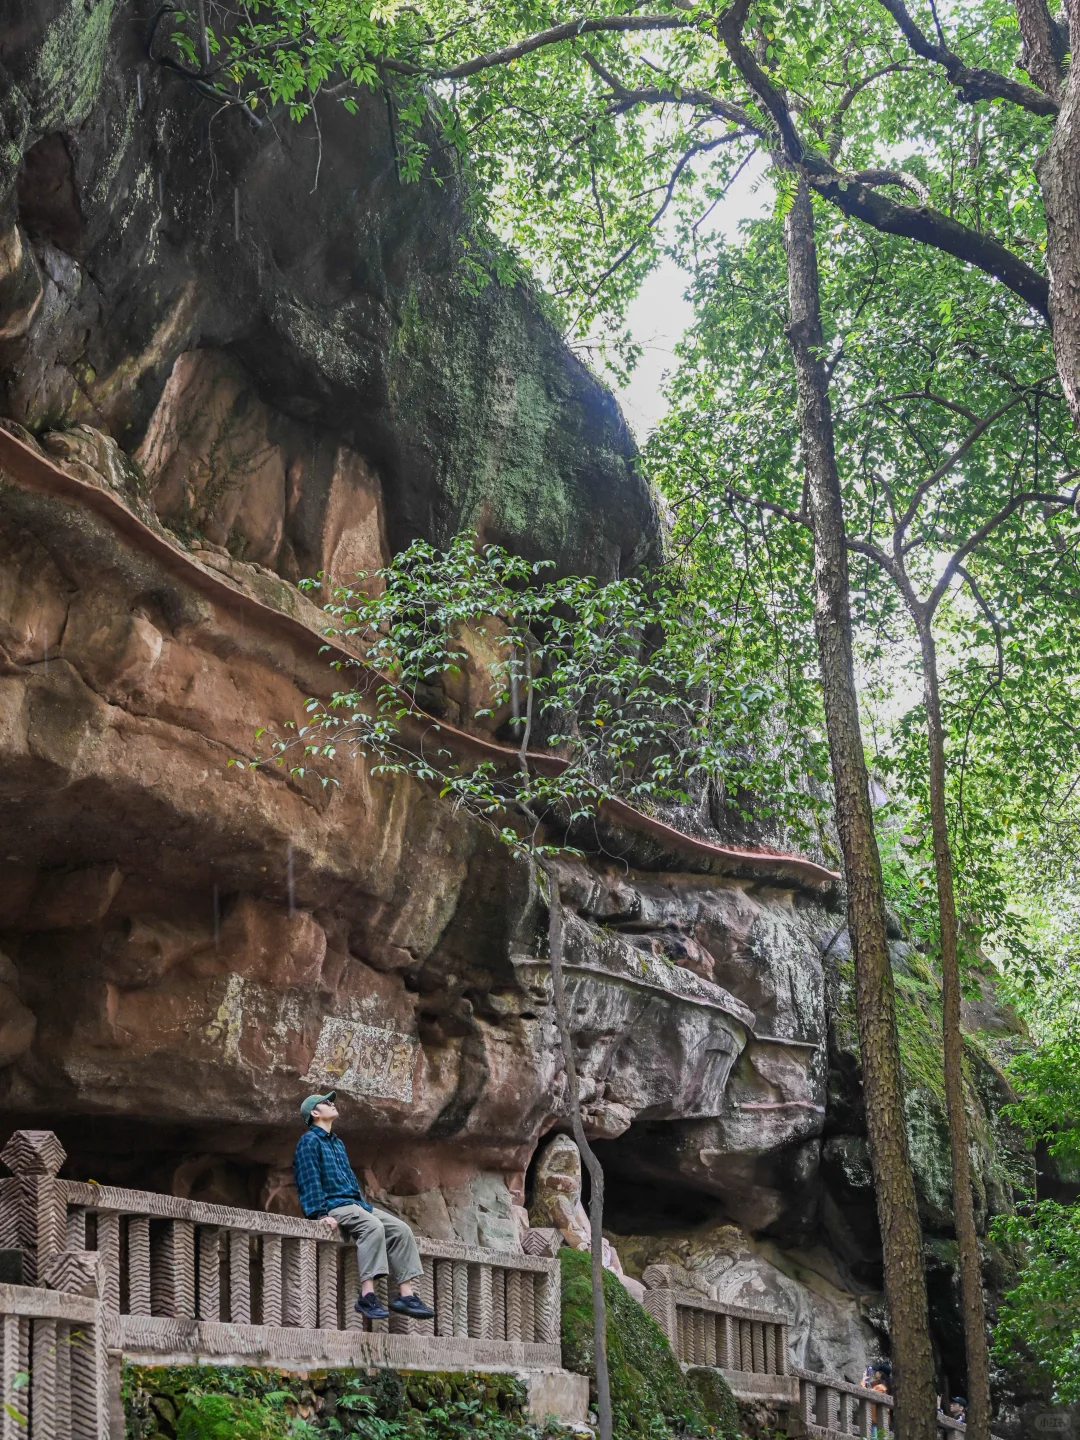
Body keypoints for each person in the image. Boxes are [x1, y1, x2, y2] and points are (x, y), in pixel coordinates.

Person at [293, 1090, 434, 1321]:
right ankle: (367, 1296)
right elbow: (308, 1179)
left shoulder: (337, 1143)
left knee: (401, 1230)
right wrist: (319, 1214)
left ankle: (406, 1295)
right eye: (326, 1103)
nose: (332, 1104)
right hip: (334, 1205)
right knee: (373, 1227)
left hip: (356, 1204)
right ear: (315, 1113)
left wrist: (361, 1204)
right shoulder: (309, 1141)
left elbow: (348, 1177)